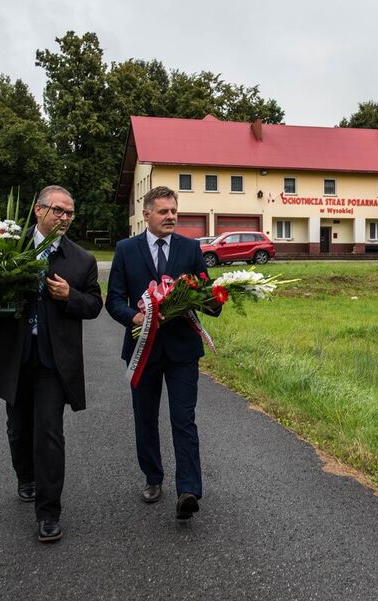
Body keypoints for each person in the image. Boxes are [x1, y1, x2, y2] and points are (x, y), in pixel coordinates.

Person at [0, 185, 102, 543]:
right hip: (15, 355)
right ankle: (25, 476)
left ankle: (48, 513)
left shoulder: (81, 261)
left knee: (49, 434)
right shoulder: (5, 247)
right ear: (38, 210)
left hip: (54, 362)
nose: (64, 217)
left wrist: (70, 296)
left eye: (70, 212)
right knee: (18, 429)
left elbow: (94, 306)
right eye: (58, 210)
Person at [105, 185, 220, 519]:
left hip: (182, 350)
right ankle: (153, 477)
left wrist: (218, 298)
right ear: (146, 215)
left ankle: (188, 489)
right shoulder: (126, 250)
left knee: (183, 418)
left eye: (174, 210)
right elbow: (113, 300)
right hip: (143, 350)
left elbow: (205, 291)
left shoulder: (189, 248)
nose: (171, 216)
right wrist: (135, 316)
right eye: (163, 211)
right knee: (145, 418)